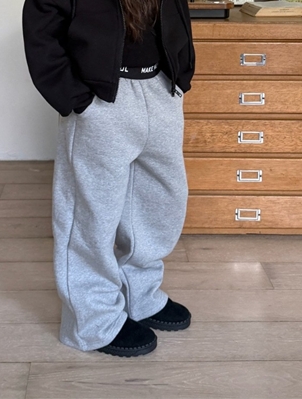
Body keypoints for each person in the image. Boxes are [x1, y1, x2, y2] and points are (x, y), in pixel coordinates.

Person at [22, 0, 195, 357]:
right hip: (101, 98)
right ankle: (93, 321)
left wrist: (180, 73)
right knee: (91, 215)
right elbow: (41, 29)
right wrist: (77, 99)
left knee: (161, 201)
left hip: (161, 88)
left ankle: (140, 295)